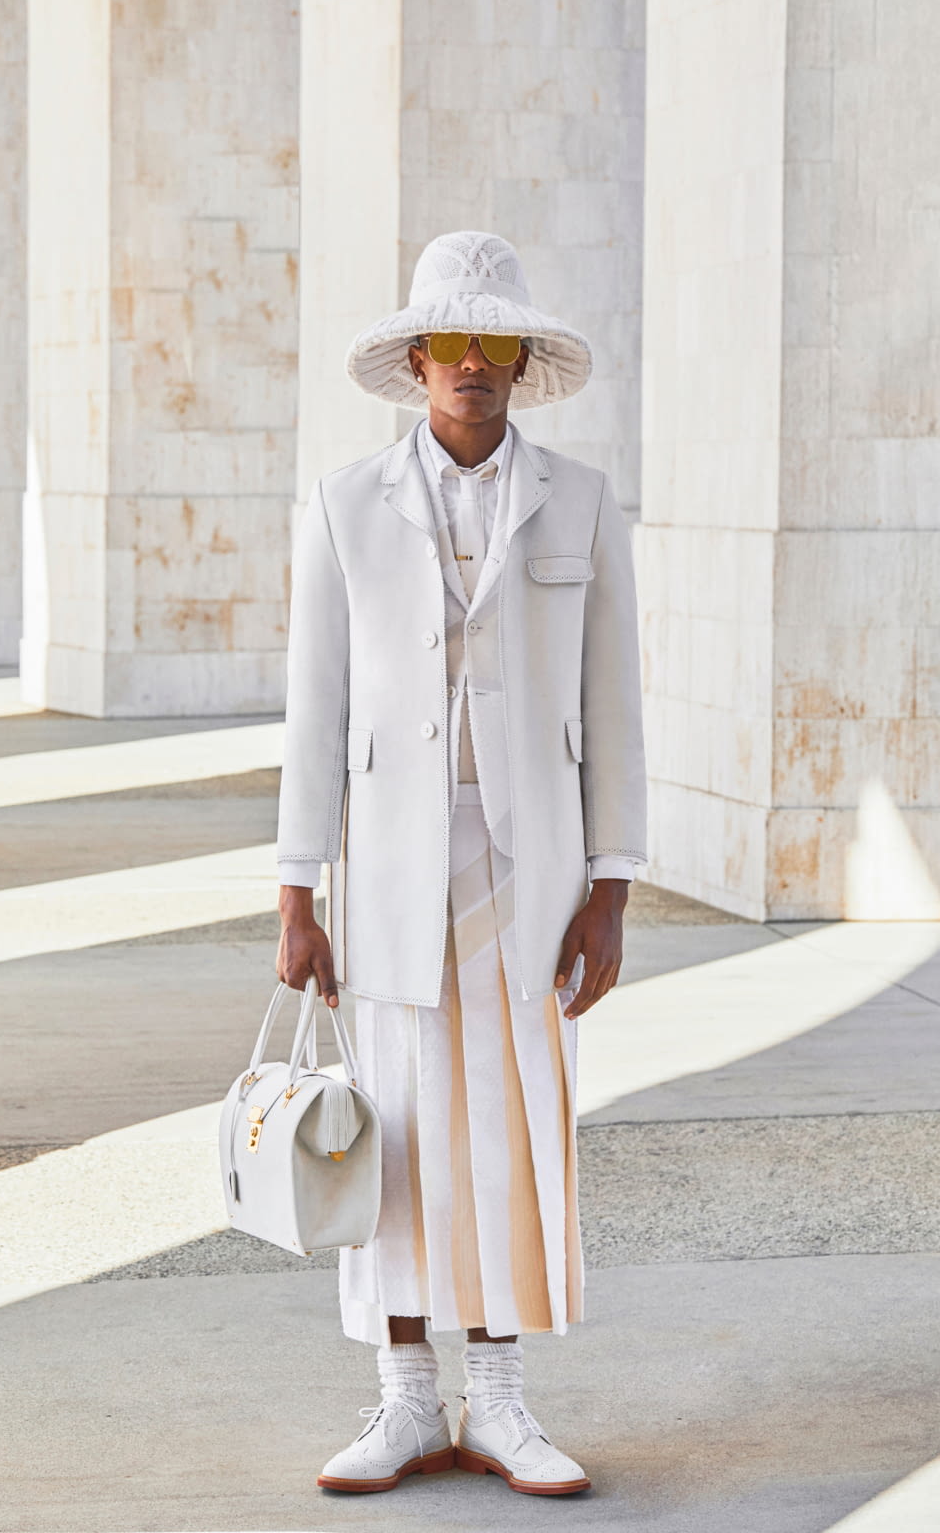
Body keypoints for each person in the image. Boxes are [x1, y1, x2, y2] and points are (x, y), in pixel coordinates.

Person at [275, 230, 647, 1497]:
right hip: (385, 871)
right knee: (391, 1128)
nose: (473, 364)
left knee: (510, 1128)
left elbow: (615, 707)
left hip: (529, 871)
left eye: (496, 343)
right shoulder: (342, 505)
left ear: (518, 361)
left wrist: (611, 889)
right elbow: (313, 716)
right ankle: (401, 1401)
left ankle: (499, 1400)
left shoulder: (583, 501)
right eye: (453, 342)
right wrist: (293, 895)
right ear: (419, 356)